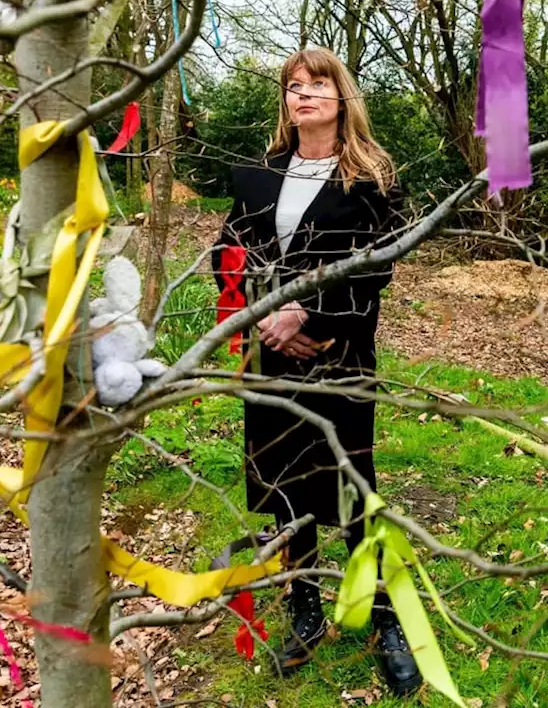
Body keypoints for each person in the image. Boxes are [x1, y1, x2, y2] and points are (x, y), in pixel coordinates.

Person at [211, 47, 417, 691]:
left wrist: (311, 319)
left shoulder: (374, 178)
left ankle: (384, 617)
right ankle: (304, 608)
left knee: (354, 486)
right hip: (269, 356)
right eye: (294, 87)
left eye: (318, 85)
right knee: (286, 485)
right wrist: (263, 315)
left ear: (342, 96)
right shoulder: (260, 175)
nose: (304, 95)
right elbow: (228, 251)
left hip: (343, 354)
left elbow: (376, 266)